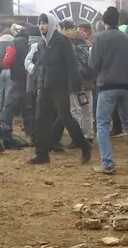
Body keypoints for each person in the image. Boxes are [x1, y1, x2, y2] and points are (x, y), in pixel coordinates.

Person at [91, 7, 128, 174]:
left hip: (108, 85)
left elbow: (93, 64)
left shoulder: (100, 38)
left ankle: (108, 163)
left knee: (102, 123)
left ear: (104, 22)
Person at [28, 13, 90, 165]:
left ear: (52, 24)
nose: (42, 26)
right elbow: (40, 65)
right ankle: (42, 154)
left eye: (45, 23)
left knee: (65, 118)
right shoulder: (42, 44)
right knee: (40, 120)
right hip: (44, 87)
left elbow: (72, 63)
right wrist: (37, 79)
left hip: (59, 87)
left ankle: (84, 146)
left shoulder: (62, 41)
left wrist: (76, 83)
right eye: (40, 23)